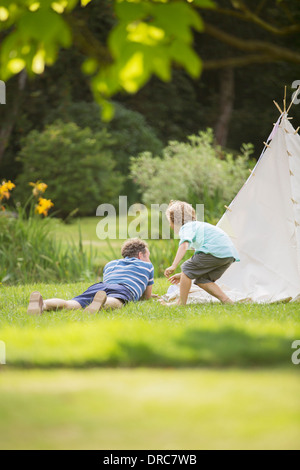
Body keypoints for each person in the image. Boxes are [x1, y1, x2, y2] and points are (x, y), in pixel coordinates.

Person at [27, 238, 154, 314]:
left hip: (100, 287)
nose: (148, 259)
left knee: (72, 303)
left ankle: (43, 305)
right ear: (140, 255)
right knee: (117, 301)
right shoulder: (147, 266)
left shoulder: (110, 264)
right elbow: (146, 297)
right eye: (147, 256)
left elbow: (109, 283)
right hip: (123, 289)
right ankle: (101, 304)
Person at [163, 200, 240, 305]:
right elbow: (198, 266)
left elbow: (184, 245)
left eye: (169, 222)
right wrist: (183, 275)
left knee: (186, 267)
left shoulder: (186, 227)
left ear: (175, 221)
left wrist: (173, 265)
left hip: (214, 251)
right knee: (202, 279)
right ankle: (227, 301)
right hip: (228, 254)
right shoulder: (198, 226)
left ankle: (180, 303)